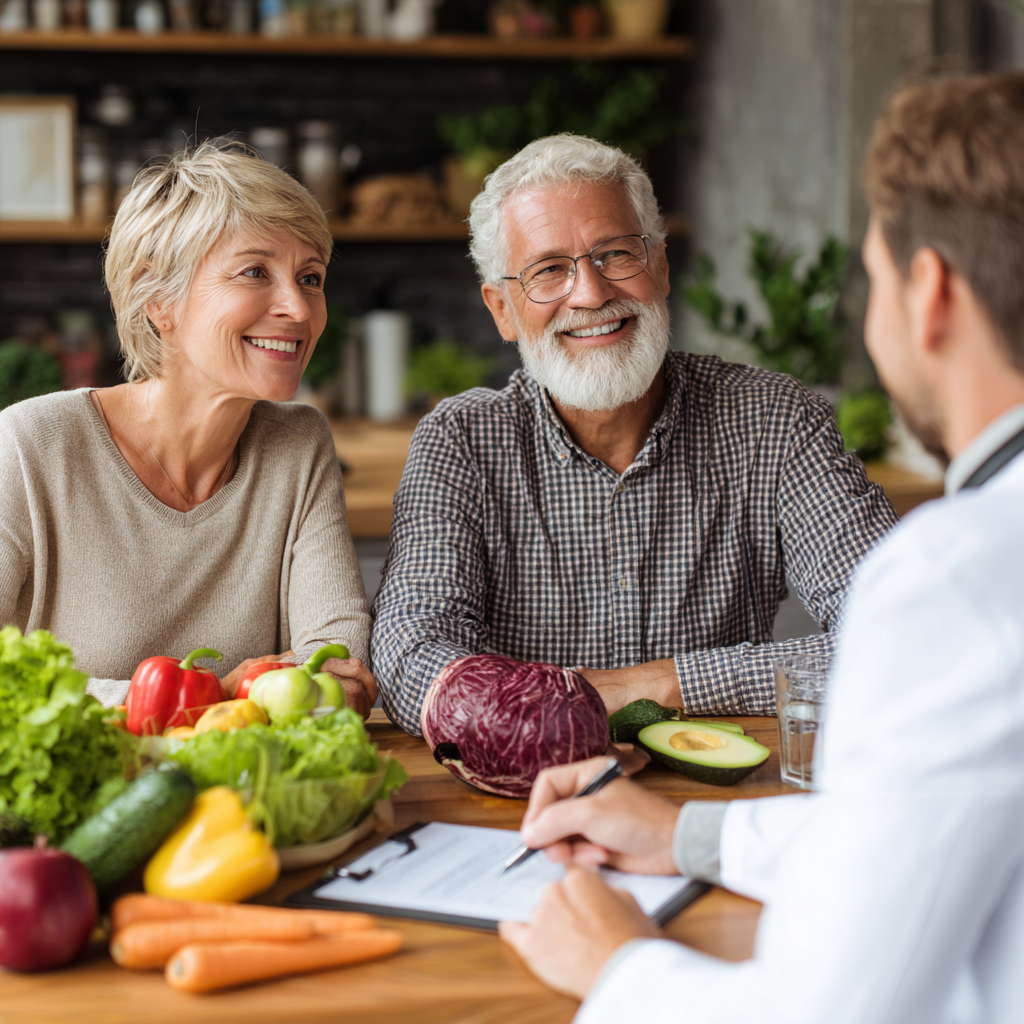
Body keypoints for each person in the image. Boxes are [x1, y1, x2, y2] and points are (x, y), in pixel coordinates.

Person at [498, 72, 1024, 1024]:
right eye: (548, 269)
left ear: (930, 293)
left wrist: (619, 968)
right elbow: (920, 829)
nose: (588, 291)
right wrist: (697, 839)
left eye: (871, 276)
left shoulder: (955, 575)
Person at [372, 133, 897, 735]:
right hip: (524, 797)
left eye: (617, 254)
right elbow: (410, 661)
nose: (592, 293)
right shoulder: (460, 442)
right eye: (548, 271)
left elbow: (904, 633)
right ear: (502, 311)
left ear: (661, 267)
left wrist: (650, 687)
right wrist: (558, 717)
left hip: (714, 803)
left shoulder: (777, 420)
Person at [0, 142, 377, 716]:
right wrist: (215, 700)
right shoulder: (32, 444)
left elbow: (338, 666)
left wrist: (255, 698)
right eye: (255, 271)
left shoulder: (299, 444)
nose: (299, 309)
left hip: (246, 796)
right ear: (159, 300)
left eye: (311, 277)